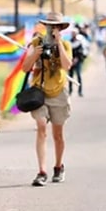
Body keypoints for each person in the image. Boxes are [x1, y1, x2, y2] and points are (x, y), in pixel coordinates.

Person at [21, 12, 73, 186]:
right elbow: (25, 68)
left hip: (58, 92)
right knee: (41, 127)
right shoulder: (36, 43)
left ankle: (58, 166)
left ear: (60, 29)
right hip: (39, 92)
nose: (52, 30)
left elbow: (67, 66)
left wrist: (58, 43)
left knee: (58, 134)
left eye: (56, 27)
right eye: (50, 26)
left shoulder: (65, 44)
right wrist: (35, 54)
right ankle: (41, 171)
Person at [67, 28, 88, 97]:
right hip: (71, 62)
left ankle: (80, 91)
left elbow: (81, 52)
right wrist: (71, 59)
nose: (73, 34)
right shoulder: (69, 42)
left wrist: (77, 59)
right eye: (72, 33)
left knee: (79, 76)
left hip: (78, 62)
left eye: (74, 33)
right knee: (70, 77)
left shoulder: (79, 42)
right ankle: (70, 91)